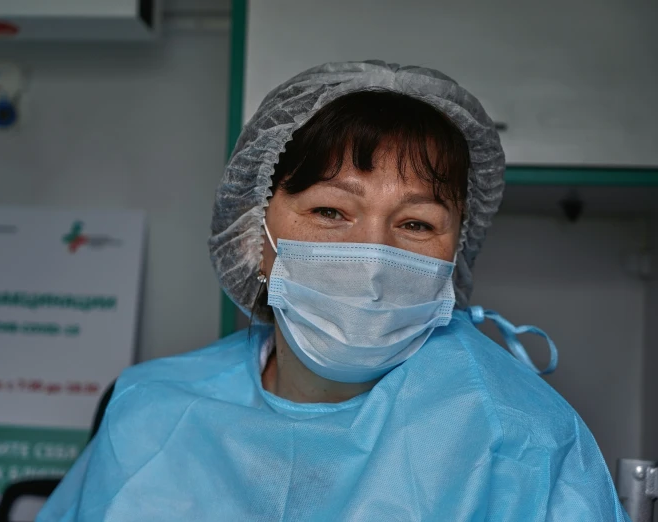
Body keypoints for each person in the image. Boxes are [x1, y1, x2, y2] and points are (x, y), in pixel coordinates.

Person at [37, 61, 628, 521]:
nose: (373, 256)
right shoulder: (154, 411)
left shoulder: (517, 434)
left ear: (456, 250)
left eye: (417, 224)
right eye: (330, 210)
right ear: (253, 234)